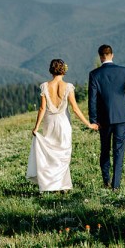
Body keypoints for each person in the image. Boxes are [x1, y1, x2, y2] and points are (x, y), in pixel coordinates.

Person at [26, 59, 98, 192]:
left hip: (50, 123)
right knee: (63, 153)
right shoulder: (68, 87)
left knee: (51, 153)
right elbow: (75, 109)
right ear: (64, 70)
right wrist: (89, 124)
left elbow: (42, 108)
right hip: (63, 123)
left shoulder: (44, 86)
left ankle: (52, 185)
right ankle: (62, 185)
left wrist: (36, 127)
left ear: (51, 70)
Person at [88, 44, 125, 191]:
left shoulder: (94, 74)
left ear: (100, 56)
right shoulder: (123, 71)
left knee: (105, 149)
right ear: (112, 55)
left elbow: (92, 99)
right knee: (119, 150)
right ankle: (116, 185)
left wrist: (93, 120)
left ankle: (106, 180)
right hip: (122, 116)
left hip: (104, 118)